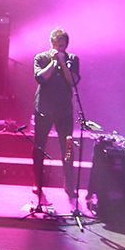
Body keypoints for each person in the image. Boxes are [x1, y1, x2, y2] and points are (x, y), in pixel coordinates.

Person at [32, 27, 81, 207]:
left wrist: (62, 63)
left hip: (63, 110)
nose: (59, 48)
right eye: (57, 45)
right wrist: (53, 63)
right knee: (39, 146)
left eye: (62, 46)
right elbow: (41, 78)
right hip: (44, 108)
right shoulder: (40, 58)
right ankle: (37, 183)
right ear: (51, 43)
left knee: (67, 147)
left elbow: (72, 81)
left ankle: (69, 184)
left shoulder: (72, 59)